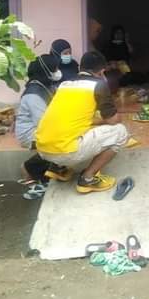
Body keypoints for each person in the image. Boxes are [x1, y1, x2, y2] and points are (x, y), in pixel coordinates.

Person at [35, 51, 129, 194]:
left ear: (81, 67)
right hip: (65, 151)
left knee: (75, 125)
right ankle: (87, 179)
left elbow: (69, 117)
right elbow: (112, 120)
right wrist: (112, 119)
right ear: (101, 71)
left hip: (42, 148)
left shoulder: (64, 84)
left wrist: (98, 121)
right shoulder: (98, 85)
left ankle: (58, 168)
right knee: (120, 131)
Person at [15, 54, 70, 184]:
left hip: (40, 126)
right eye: (55, 69)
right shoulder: (34, 94)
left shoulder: (45, 85)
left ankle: (54, 167)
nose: (57, 71)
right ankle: (29, 167)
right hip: (30, 132)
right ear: (46, 70)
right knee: (63, 139)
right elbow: (43, 123)